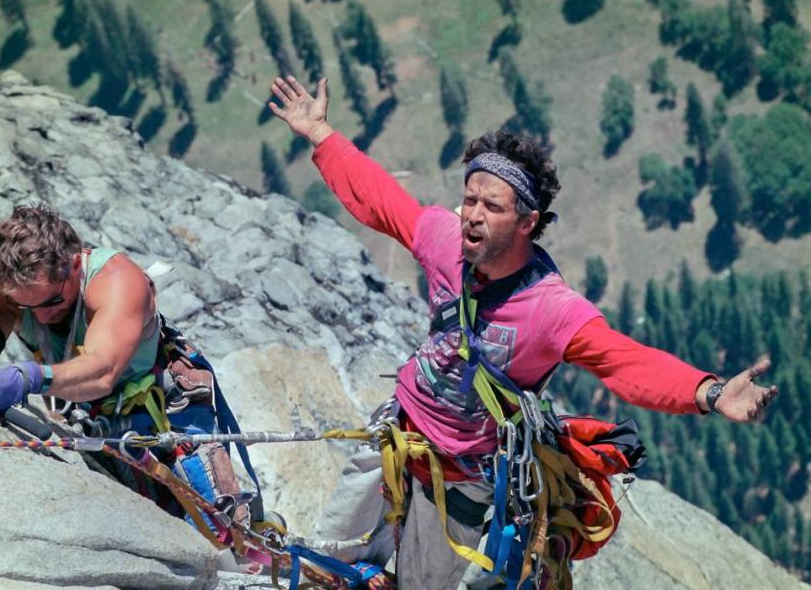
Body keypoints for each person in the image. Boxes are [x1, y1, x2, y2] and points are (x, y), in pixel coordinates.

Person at [268, 75, 778, 589]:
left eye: (492, 207)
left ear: (528, 221)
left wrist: (709, 392)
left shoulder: (551, 309)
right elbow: (381, 200)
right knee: (321, 567)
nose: (472, 216)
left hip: (462, 479)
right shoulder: (444, 239)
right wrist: (322, 135)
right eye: (469, 200)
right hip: (397, 434)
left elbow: (625, 361)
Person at [0, 204, 261, 542]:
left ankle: (248, 524)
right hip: (88, 408)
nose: (41, 318)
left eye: (52, 302)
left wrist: (29, 378)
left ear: (74, 264)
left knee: (219, 532)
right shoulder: (4, 275)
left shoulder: (119, 280)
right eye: (27, 308)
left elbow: (103, 371)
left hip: (163, 407)